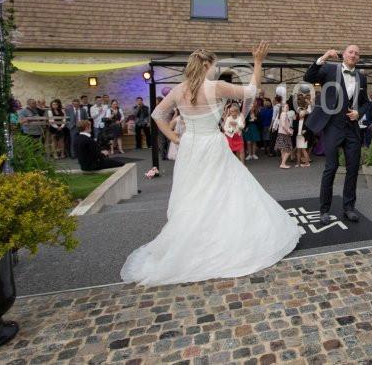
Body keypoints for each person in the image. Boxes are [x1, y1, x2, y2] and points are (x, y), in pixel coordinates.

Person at [120, 43, 301, 286]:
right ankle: (223, 242)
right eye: (214, 66)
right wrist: (257, 61)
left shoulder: (178, 90)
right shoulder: (216, 87)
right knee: (222, 192)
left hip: (190, 148)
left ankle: (195, 243)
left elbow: (157, 115)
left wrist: (175, 138)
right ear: (206, 65)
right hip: (212, 146)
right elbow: (252, 90)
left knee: (193, 195)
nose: (215, 70)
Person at [304, 45, 371, 224]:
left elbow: (366, 103)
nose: (354, 55)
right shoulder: (329, 69)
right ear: (343, 55)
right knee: (331, 168)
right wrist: (324, 56)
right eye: (351, 52)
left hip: (352, 128)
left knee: (353, 169)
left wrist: (359, 113)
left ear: (359, 58)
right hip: (333, 125)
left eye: (357, 53)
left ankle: (349, 208)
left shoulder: (362, 77)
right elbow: (309, 77)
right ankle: (324, 210)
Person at [274, 100, 294, 168]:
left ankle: (283, 163)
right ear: (282, 108)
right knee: (288, 149)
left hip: (281, 133)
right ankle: (283, 164)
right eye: (286, 106)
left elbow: (283, 124)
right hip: (284, 134)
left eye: (288, 106)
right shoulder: (284, 114)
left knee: (283, 149)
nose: (287, 107)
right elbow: (283, 125)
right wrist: (289, 131)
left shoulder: (282, 114)